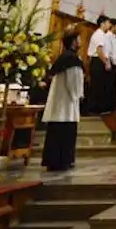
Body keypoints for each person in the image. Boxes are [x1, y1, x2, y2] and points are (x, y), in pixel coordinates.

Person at [41, 29, 85, 173]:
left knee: (55, 132)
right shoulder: (72, 59)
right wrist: (78, 95)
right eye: (78, 39)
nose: (80, 42)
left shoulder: (63, 57)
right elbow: (74, 81)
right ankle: (63, 160)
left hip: (60, 102)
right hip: (67, 102)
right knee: (65, 132)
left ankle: (54, 160)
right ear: (73, 43)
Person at [86, 16, 115, 116]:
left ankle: (98, 108)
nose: (109, 25)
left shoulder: (103, 34)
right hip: (98, 61)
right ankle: (93, 109)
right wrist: (106, 63)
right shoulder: (99, 34)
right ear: (102, 23)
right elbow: (99, 51)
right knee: (97, 86)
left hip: (100, 61)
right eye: (108, 23)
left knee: (100, 85)